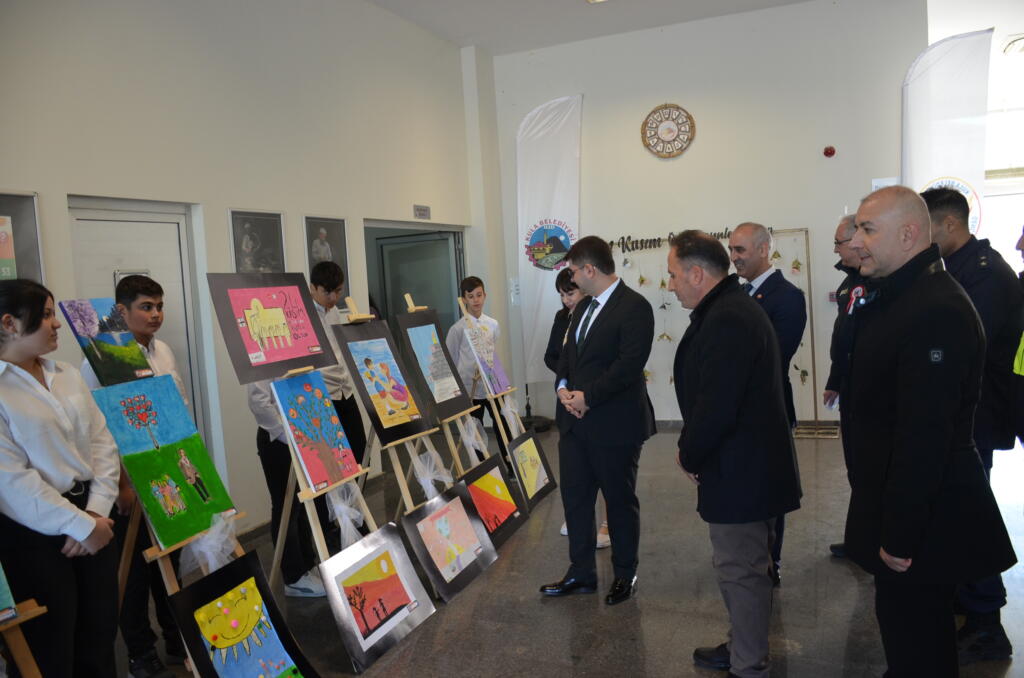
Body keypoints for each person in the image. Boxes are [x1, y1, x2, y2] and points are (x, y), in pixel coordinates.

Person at [843, 186, 1016, 677]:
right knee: (904, 634)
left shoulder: (935, 307)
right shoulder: (900, 295)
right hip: (895, 505)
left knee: (920, 640)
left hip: (923, 521)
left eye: (867, 229)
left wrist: (900, 535)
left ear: (908, 234)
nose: (855, 242)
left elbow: (925, 437)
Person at [668, 231, 801, 678]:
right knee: (742, 567)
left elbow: (717, 405)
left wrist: (689, 453)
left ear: (696, 274)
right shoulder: (727, 308)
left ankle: (749, 665)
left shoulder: (728, 317)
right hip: (745, 466)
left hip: (742, 470)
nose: (670, 285)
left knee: (740, 570)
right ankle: (743, 645)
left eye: (673, 275)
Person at [0, 279, 121, 677]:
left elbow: (102, 443)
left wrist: (97, 513)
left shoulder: (66, 373)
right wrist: (78, 525)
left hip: (95, 518)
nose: (57, 324)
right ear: (9, 323)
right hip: (34, 533)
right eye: (46, 315)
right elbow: (12, 483)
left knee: (99, 636)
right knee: (49, 648)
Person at [922, 187, 1022, 663]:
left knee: (971, 510)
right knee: (958, 509)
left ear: (950, 225)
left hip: (978, 413)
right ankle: (969, 599)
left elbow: (959, 346)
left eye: (925, 227)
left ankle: (987, 624)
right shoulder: (956, 269)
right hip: (965, 411)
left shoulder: (985, 275)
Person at [540, 236, 655, 606]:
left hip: (614, 423)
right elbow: (566, 357)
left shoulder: (635, 307)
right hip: (574, 424)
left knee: (618, 501)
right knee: (575, 499)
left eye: (574, 271)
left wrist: (587, 397)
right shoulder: (582, 308)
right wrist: (562, 388)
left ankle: (624, 573)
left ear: (589, 269)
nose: (571, 278)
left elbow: (628, 366)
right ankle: (581, 573)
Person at [80, 274, 186, 678]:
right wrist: (123, 484)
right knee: (136, 569)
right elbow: (101, 430)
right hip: (126, 478)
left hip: (167, 469)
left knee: (171, 559)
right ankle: (140, 651)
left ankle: (177, 639)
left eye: (159, 306)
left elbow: (176, 411)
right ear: (121, 312)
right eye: (146, 307)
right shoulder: (99, 358)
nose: (155, 314)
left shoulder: (164, 352)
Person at [727, 221, 806, 586]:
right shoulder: (736, 294)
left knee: (770, 491)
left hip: (768, 409)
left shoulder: (787, 297)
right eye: (731, 250)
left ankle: (770, 561)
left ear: (763, 250)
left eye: (740, 250)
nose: (734, 257)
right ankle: (746, 555)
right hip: (735, 411)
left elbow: (774, 357)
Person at [544, 268, 610, 549]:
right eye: (562, 295)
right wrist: (565, 381)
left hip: (596, 401)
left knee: (604, 467)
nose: (566, 300)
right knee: (575, 469)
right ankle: (578, 518)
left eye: (570, 293)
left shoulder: (602, 314)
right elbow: (551, 356)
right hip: (568, 400)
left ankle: (607, 522)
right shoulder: (562, 318)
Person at [822, 215, 864, 560]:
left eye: (839, 242)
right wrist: (835, 380)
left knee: (867, 468)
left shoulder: (874, 281)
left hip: (868, 390)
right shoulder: (850, 282)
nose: (835, 249)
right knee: (856, 468)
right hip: (850, 386)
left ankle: (869, 541)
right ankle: (859, 539)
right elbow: (843, 338)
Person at [445, 276, 510, 460]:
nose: (476, 300)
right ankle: (481, 467)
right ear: (464, 299)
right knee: (475, 427)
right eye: (471, 296)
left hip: (493, 382)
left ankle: (510, 462)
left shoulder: (492, 324)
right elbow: (451, 357)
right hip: (470, 387)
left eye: (479, 295)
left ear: (484, 296)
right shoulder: (457, 329)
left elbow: (491, 349)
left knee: (503, 422)